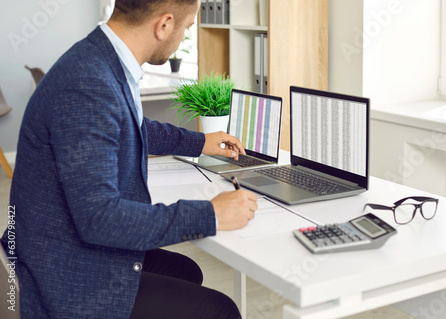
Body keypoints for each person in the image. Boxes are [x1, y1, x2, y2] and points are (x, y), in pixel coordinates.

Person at [1, 0, 258, 318]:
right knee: (220, 310)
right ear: (163, 25)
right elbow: (101, 219)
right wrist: (211, 214)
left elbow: (132, 125)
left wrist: (200, 141)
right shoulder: (88, 85)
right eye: (186, 29)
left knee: (185, 270)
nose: (182, 40)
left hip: (60, 246)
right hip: (59, 278)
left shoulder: (100, 57)